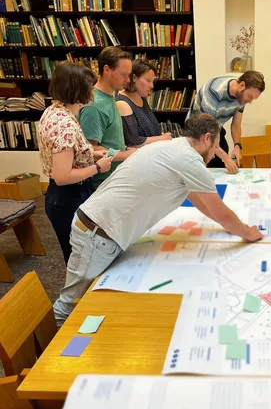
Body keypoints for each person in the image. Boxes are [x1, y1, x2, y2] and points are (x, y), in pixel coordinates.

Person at [53, 114, 263, 325]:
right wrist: (247, 233)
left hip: (99, 226)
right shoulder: (189, 160)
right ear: (207, 139)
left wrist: (229, 226)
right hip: (98, 233)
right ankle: (47, 351)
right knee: (70, 303)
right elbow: (222, 212)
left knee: (93, 299)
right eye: (216, 147)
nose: (214, 155)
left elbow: (201, 201)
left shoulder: (173, 148)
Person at [38, 61, 113, 264]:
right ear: (78, 89)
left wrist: (91, 153)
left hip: (61, 195)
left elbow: (64, 152)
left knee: (79, 254)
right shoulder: (65, 125)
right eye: (89, 87)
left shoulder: (54, 111)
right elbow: (63, 177)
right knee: (80, 257)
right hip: (69, 196)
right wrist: (98, 167)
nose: (93, 92)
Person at [186, 70, 265, 173]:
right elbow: (207, 132)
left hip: (216, 127)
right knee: (200, 171)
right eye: (250, 97)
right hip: (196, 133)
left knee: (220, 167)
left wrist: (237, 146)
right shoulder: (214, 92)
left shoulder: (241, 96)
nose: (250, 101)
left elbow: (236, 125)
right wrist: (226, 158)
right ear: (242, 85)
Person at [79, 46, 136, 189]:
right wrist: (126, 154)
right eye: (123, 74)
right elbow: (90, 149)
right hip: (101, 184)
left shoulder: (110, 97)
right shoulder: (95, 106)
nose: (128, 80)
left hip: (113, 179)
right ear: (106, 70)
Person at [116, 59, 173, 147]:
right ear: (134, 78)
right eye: (148, 80)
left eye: (152, 81)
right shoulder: (123, 103)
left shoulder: (141, 98)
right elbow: (133, 142)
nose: (152, 86)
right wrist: (162, 138)